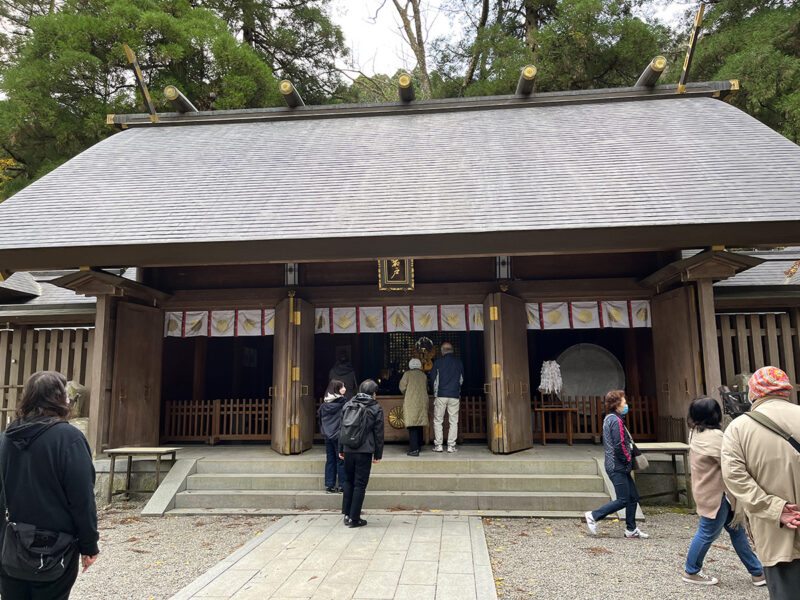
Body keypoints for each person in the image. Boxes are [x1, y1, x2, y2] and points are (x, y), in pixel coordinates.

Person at [0, 371, 99, 599]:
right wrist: (89, 545)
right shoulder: (69, 438)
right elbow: (82, 497)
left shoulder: (6, 438)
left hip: (10, 547)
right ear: (60, 398)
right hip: (56, 549)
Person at [722, 366, 800, 599]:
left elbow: (734, 476)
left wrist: (774, 509)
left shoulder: (738, 428)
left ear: (753, 393)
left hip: (777, 531)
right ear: (786, 390)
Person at [682, 396, 765, 586]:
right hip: (717, 496)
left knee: (737, 532)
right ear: (715, 415)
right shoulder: (716, 438)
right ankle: (691, 570)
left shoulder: (695, 432)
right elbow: (731, 462)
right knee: (707, 533)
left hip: (709, 491)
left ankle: (757, 572)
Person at [585, 389, 649, 538]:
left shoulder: (610, 418)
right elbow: (619, 444)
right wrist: (628, 459)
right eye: (624, 401)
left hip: (616, 464)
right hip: (617, 465)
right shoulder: (616, 420)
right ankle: (594, 515)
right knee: (623, 499)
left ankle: (631, 529)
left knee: (633, 497)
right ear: (617, 404)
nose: (626, 404)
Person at [339, 379, 384, 528]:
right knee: (360, 484)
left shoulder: (348, 404)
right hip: (365, 450)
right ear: (373, 393)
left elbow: (342, 428)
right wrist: (378, 454)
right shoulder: (375, 407)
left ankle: (347, 514)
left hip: (348, 449)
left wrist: (341, 449)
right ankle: (355, 518)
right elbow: (378, 433)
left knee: (348, 481)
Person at [429, 342, 464, 453]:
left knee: (438, 420)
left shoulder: (438, 363)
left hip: (441, 395)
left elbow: (433, 380)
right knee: (453, 421)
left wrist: (435, 393)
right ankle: (451, 446)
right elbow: (461, 380)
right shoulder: (458, 363)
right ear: (452, 351)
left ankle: (439, 445)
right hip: (454, 395)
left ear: (442, 351)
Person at [318, 379, 347, 493]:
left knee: (330, 460)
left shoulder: (324, 405)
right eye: (342, 387)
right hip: (339, 435)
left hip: (327, 435)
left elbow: (320, 419)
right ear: (337, 389)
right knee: (340, 460)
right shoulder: (343, 404)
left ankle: (329, 485)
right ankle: (342, 485)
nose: (344, 388)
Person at [399, 358, 429, 456]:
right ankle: (419, 445)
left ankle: (414, 449)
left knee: (412, 425)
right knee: (419, 423)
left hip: (411, 401)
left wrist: (407, 392)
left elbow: (402, 387)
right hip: (422, 401)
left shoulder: (407, 374)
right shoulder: (423, 375)